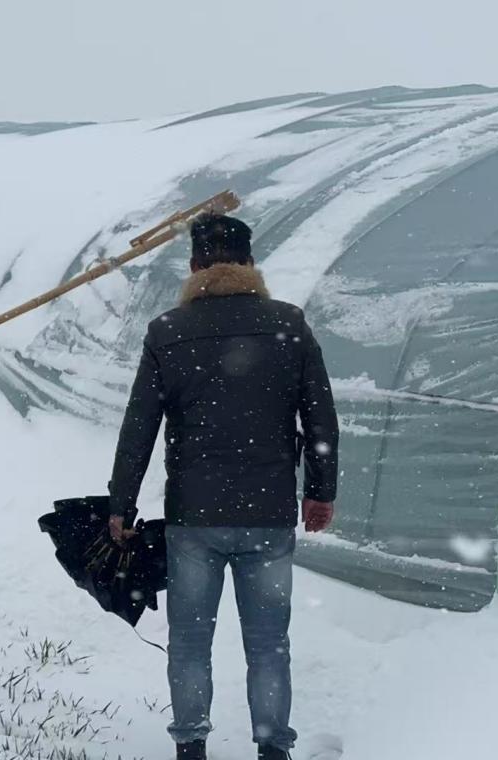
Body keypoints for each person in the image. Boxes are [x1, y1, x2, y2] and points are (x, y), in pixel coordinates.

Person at [107, 213, 339, 760]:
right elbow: (320, 417)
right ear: (251, 265)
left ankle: (191, 747)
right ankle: (273, 749)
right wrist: (320, 490)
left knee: (190, 644)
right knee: (268, 644)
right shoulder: (288, 323)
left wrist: (122, 504)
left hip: (195, 517)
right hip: (269, 513)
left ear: (193, 267)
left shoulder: (168, 331)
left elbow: (139, 427)